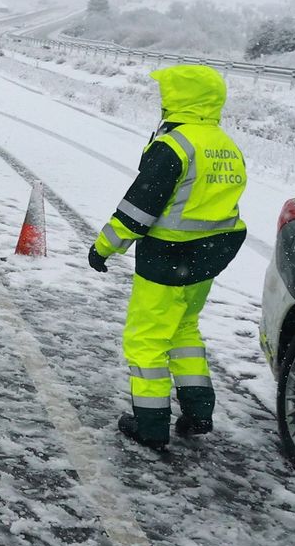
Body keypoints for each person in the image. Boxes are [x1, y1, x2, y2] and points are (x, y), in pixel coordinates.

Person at [88, 64, 248, 451]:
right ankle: (199, 413)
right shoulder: (224, 144)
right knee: (184, 331)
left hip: (167, 258)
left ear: (180, 99)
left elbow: (139, 208)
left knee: (146, 340)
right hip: (208, 258)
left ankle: (151, 425)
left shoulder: (175, 145)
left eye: (166, 94)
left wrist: (104, 247)